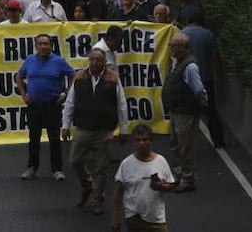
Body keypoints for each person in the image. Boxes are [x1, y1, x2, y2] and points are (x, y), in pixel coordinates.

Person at [62, 48, 129, 215]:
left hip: (104, 130)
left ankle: (97, 199)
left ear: (104, 62)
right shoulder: (79, 77)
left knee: (101, 168)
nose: (94, 62)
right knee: (75, 161)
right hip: (82, 128)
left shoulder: (113, 78)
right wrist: (65, 125)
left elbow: (121, 105)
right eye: (92, 59)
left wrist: (124, 129)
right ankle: (88, 185)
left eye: (98, 60)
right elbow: (70, 102)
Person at [15, 33, 75, 181]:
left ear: (51, 46)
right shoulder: (29, 60)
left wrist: (66, 93)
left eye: (46, 44)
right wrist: (23, 94)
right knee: (33, 138)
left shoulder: (58, 61)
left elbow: (74, 76)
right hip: (34, 105)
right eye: (40, 44)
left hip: (52, 105)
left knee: (54, 139)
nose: (43, 46)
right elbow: (19, 76)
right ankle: (32, 168)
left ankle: (57, 170)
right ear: (36, 46)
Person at [162, 32, 207, 192]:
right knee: (175, 143)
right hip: (176, 110)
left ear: (184, 48)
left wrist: (202, 103)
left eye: (173, 46)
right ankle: (180, 172)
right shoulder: (177, 62)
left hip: (186, 112)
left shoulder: (190, 66)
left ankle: (187, 178)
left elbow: (198, 89)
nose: (170, 48)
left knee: (184, 145)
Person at [111, 124, 176, 232]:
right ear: (134, 143)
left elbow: (170, 186)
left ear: (151, 141)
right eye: (138, 140)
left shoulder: (161, 161)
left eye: (145, 139)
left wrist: (161, 186)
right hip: (134, 218)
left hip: (156, 219)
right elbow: (118, 192)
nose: (141, 143)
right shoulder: (126, 164)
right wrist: (115, 217)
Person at [181, 15, 224, 148]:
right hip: (206, 78)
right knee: (211, 111)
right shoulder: (209, 35)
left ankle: (185, 143)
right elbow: (215, 57)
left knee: (185, 113)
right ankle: (218, 141)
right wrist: (219, 75)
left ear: (187, 21)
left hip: (187, 80)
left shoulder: (182, 34)